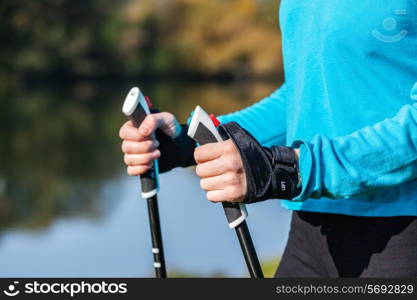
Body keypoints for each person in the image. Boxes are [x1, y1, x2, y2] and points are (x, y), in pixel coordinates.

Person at [119, 0, 417, 277]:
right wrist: (193, 141)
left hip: (402, 232)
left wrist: (292, 170)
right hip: (310, 230)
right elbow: (302, 96)